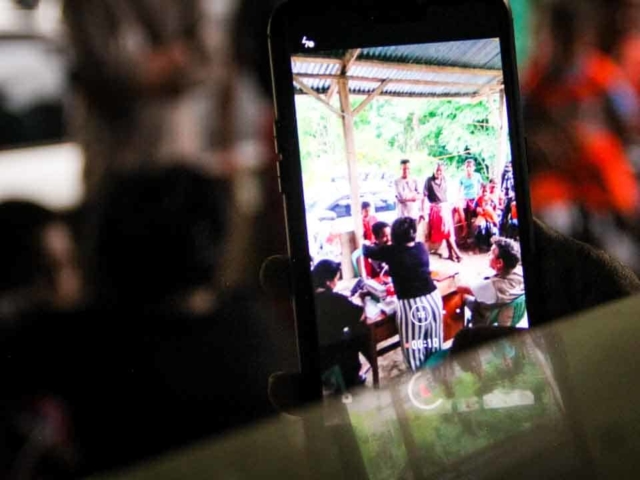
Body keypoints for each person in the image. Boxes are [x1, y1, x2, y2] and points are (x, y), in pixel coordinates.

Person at [363, 217, 443, 371]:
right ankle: (437, 378)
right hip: (434, 299)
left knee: (414, 349)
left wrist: (365, 242)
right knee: (434, 343)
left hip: (413, 306)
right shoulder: (421, 247)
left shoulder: (392, 251)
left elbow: (367, 251)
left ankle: (420, 387)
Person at [311, 260, 371, 389]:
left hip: (316, 354)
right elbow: (360, 315)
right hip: (332, 354)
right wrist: (359, 299)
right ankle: (352, 375)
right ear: (328, 282)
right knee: (357, 331)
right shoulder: (335, 300)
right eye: (336, 280)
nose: (336, 283)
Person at [456, 237, 525, 327]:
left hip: (485, 316)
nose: (488, 254)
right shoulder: (519, 272)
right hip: (504, 309)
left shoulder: (493, 287)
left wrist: (458, 278)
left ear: (499, 263)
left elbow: (460, 287)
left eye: (491, 253)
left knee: (462, 296)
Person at [422, 162, 463, 262]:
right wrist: (423, 211)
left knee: (449, 231)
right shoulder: (429, 180)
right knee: (447, 231)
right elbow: (424, 196)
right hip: (436, 210)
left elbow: (447, 195)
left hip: (445, 208)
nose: (439, 172)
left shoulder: (444, 179)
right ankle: (457, 254)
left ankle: (451, 254)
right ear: (433, 170)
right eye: (437, 170)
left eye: (441, 170)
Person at [458, 159, 483, 240]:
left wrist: (478, 197)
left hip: (475, 198)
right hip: (466, 199)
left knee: (478, 212)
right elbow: (458, 190)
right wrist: (461, 198)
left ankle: (476, 235)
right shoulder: (462, 178)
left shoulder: (477, 176)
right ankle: (465, 228)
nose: (468, 168)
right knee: (459, 207)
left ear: (474, 167)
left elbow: (482, 187)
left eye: (470, 166)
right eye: (467, 166)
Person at [473, 185, 500, 251]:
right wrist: (478, 210)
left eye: (486, 191)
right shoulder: (478, 199)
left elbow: (496, 210)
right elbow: (475, 210)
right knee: (481, 227)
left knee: (492, 229)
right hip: (482, 216)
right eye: (483, 191)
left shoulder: (492, 199)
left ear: (488, 192)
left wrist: (490, 214)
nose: (484, 193)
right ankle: (480, 246)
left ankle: (493, 246)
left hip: (491, 216)